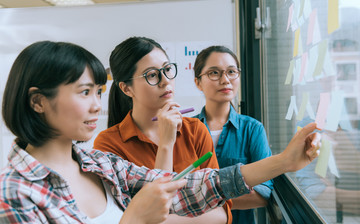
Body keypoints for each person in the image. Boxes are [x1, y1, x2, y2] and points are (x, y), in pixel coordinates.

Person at [0, 40, 321, 224]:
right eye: (85, 93)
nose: (97, 106)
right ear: (39, 101)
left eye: (98, 92)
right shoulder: (15, 193)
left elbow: (194, 186)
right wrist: (137, 220)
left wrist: (284, 162)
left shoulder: (97, 162)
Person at [93, 36, 232, 223]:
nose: (165, 81)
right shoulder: (108, 143)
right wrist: (166, 144)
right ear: (126, 89)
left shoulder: (195, 130)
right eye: (151, 75)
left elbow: (222, 213)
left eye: (167, 69)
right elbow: (125, 217)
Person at [193, 45, 272, 224]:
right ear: (198, 82)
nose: (225, 79)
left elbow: (263, 193)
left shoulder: (253, 129)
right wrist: (238, 193)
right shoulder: (186, 129)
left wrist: (202, 200)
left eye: (231, 71)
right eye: (214, 73)